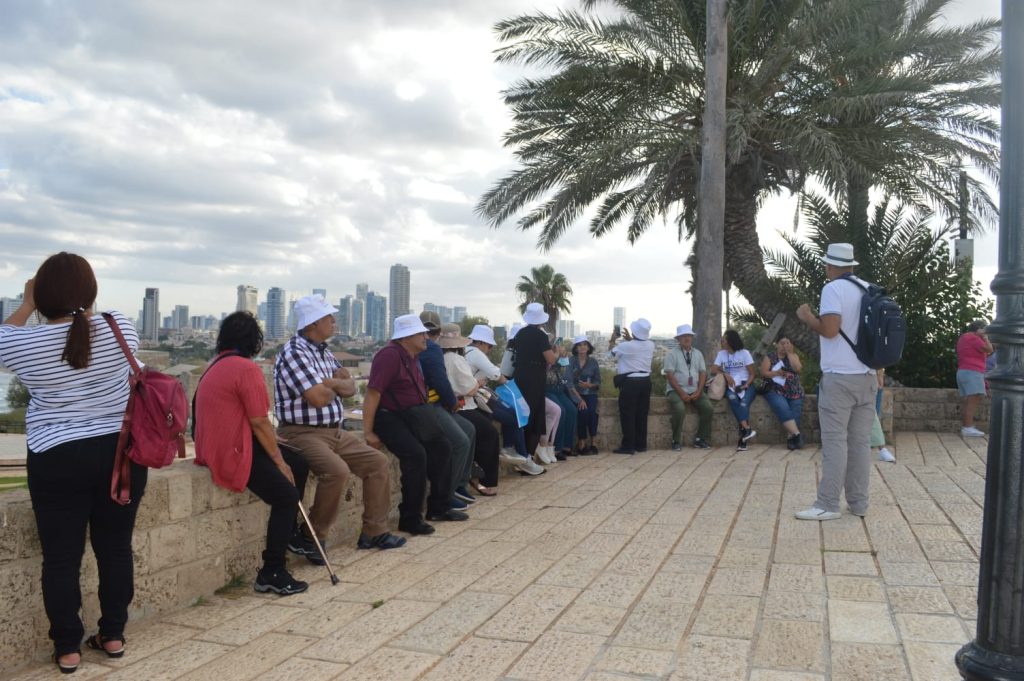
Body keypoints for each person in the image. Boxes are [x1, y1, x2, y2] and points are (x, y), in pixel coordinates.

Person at [0, 253, 147, 673]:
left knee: (61, 558)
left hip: (56, 458)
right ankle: (113, 634)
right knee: (115, 548)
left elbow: (3, 337)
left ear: (42, 293)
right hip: (120, 455)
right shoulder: (119, 325)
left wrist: (28, 303)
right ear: (90, 291)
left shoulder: (22, 342)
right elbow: (92, 330)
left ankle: (67, 648)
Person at [274, 295, 405, 559]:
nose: (334, 321)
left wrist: (330, 383)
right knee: (336, 471)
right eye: (328, 317)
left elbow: (350, 387)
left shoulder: (324, 352)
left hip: (334, 430)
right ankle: (312, 536)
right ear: (313, 323)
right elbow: (317, 397)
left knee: (377, 463)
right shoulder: (294, 352)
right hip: (301, 432)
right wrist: (333, 384)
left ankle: (373, 531)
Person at [194, 312, 311, 596]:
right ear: (254, 341)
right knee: (287, 495)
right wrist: (278, 461)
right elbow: (259, 421)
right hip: (233, 450)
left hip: (214, 446)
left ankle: (291, 532)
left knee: (299, 461)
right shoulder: (246, 369)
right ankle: (272, 570)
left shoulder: (215, 364)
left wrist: (281, 454)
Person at [795, 242, 878, 521]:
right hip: (867, 376)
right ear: (851, 265)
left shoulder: (833, 289)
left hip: (839, 378)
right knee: (859, 444)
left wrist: (807, 317)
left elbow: (830, 330)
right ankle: (859, 503)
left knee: (834, 443)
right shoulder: (867, 288)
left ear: (830, 266)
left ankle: (828, 504)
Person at [363, 314, 466, 536]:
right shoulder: (389, 356)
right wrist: (368, 431)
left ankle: (439, 507)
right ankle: (410, 518)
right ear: (406, 336)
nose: (426, 337)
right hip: (390, 416)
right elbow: (372, 393)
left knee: (442, 447)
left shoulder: (411, 355)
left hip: (415, 413)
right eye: (421, 333)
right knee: (416, 455)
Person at [465, 324, 542, 475]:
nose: (489, 349)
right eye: (489, 345)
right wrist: (506, 382)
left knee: (511, 413)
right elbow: (495, 374)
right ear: (480, 342)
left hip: (475, 395)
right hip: (475, 397)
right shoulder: (476, 353)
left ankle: (517, 453)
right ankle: (519, 455)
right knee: (513, 415)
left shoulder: (465, 351)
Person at [417, 311, 475, 509]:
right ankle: (447, 493)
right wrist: (452, 403)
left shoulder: (423, 348)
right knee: (461, 441)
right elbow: (440, 383)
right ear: (439, 331)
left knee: (469, 429)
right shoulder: (432, 348)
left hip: (427, 403)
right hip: (430, 405)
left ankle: (459, 483)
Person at [438, 324, 500, 496]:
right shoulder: (456, 359)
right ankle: (482, 479)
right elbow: (470, 389)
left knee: (483, 425)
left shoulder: (442, 357)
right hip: (462, 405)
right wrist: (478, 383)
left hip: (455, 404)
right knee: (489, 434)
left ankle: (473, 474)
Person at [513, 303, 557, 458]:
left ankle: (521, 453)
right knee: (535, 417)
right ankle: (528, 457)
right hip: (535, 378)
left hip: (520, 376)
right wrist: (556, 352)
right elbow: (550, 359)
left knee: (523, 414)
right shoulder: (541, 336)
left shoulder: (520, 333)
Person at [664, 324, 713, 450]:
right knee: (680, 409)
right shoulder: (672, 354)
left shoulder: (698, 353)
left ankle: (700, 439)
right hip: (676, 390)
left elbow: (703, 373)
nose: (687, 338)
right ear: (678, 339)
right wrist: (681, 393)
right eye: (684, 336)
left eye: (689, 336)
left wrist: (699, 390)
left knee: (708, 408)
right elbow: (669, 375)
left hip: (694, 389)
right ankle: (676, 440)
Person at [609, 318, 654, 454]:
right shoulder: (651, 344)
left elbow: (610, 354)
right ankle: (641, 445)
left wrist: (612, 340)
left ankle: (628, 445)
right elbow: (638, 346)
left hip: (630, 382)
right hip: (646, 382)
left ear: (634, 332)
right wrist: (630, 339)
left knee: (628, 414)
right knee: (641, 414)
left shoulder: (626, 346)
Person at [712, 330, 758, 451]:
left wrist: (746, 385)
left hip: (746, 384)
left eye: (723, 340)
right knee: (732, 399)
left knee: (743, 404)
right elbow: (714, 369)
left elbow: (753, 374)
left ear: (730, 341)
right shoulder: (722, 354)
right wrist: (725, 374)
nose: (721, 342)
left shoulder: (744, 353)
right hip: (732, 384)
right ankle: (747, 430)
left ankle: (742, 438)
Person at [760, 336, 805, 450]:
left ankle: (791, 438)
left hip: (794, 390)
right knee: (782, 408)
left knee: (796, 413)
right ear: (777, 345)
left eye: (787, 343)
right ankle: (797, 435)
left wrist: (789, 354)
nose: (784, 345)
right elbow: (764, 373)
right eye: (782, 343)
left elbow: (798, 369)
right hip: (775, 389)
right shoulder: (770, 357)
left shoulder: (794, 356)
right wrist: (776, 373)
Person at [545, 343, 585, 459]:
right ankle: (556, 448)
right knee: (561, 411)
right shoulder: (543, 354)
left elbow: (564, 370)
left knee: (572, 410)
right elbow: (548, 365)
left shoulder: (556, 354)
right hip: (547, 388)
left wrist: (563, 356)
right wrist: (556, 355)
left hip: (558, 388)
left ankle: (567, 446)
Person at [956, 320, 993, 437]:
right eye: (984, 329)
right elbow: (989, 350)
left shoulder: (966, 338)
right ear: (978, 329)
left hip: (966, 371)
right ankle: (967, 428)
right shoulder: (972, 337)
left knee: (969, 401)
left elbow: (985, 352)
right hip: (972, 372)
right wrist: (986, 337)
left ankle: (967, 427)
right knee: (973, 401)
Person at [569, 335, 601, 454]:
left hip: (590, 393)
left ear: (588, 347)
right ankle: (581, 441)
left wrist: (590, 385)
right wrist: (578, 398)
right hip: (575, 393)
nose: (582, 347)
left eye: (585, 345)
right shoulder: (571, 361)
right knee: (583, 411)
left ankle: (593, 441)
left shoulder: (593, 362)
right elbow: (568, 381)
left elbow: (598, 381)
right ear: (576, 348)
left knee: (593, 412)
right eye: (579, 345)